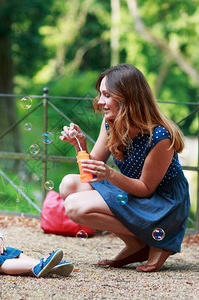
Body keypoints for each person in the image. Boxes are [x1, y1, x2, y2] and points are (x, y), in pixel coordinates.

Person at [59, 64, 190, 272]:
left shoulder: (160, 137)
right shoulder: (110, 122)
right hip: (133, 193)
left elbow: (146, 188)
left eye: (107, 95)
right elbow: (91, 170)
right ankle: (137, 244)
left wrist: (110, 174)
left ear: (127, 96)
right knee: (68, 185)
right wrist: (80, 146)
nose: (100, 101)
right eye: (101, 94)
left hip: (161, 203)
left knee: (74, 206)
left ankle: (159, 239)